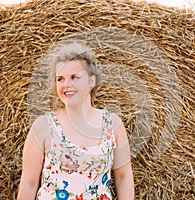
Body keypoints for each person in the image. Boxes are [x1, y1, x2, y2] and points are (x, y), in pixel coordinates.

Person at [17, 42, 134, 200]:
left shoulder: (112, 124)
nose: (66, 85)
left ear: (91, 81)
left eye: (74, 77)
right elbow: (29, 183)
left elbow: (123, 177)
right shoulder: (44, 126)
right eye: (60, 79)